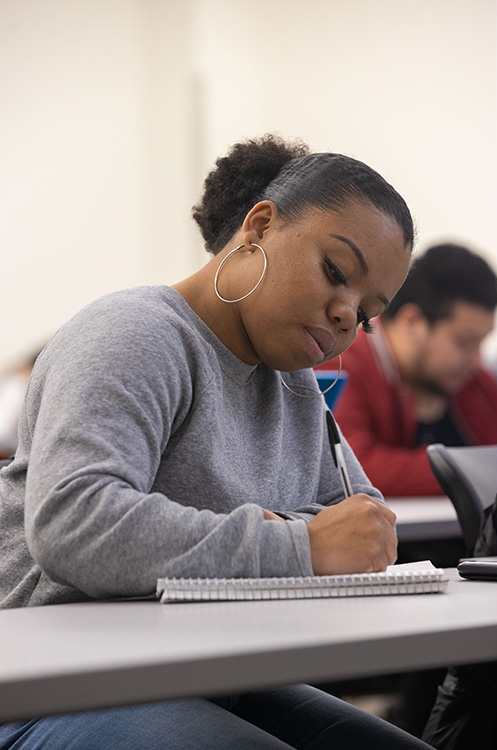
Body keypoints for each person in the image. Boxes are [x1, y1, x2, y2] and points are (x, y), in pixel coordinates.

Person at [0, 135, 431, 749]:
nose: (345, 317)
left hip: (202, 670)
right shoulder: (134, 333)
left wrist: (304, 537)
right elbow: (74, 524)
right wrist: (299, 541)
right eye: (336, 273)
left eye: (366, 313)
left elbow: (364, 527)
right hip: (53, 681)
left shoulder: (294, 385)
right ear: (259, 226)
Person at [326, 243, 497, 497]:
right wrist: (476, 470)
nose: (476, 359)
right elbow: (352, 468)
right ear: (413, 322)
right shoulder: (340, 366)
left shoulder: (475, 382)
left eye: (482, 342)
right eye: (464, 342)